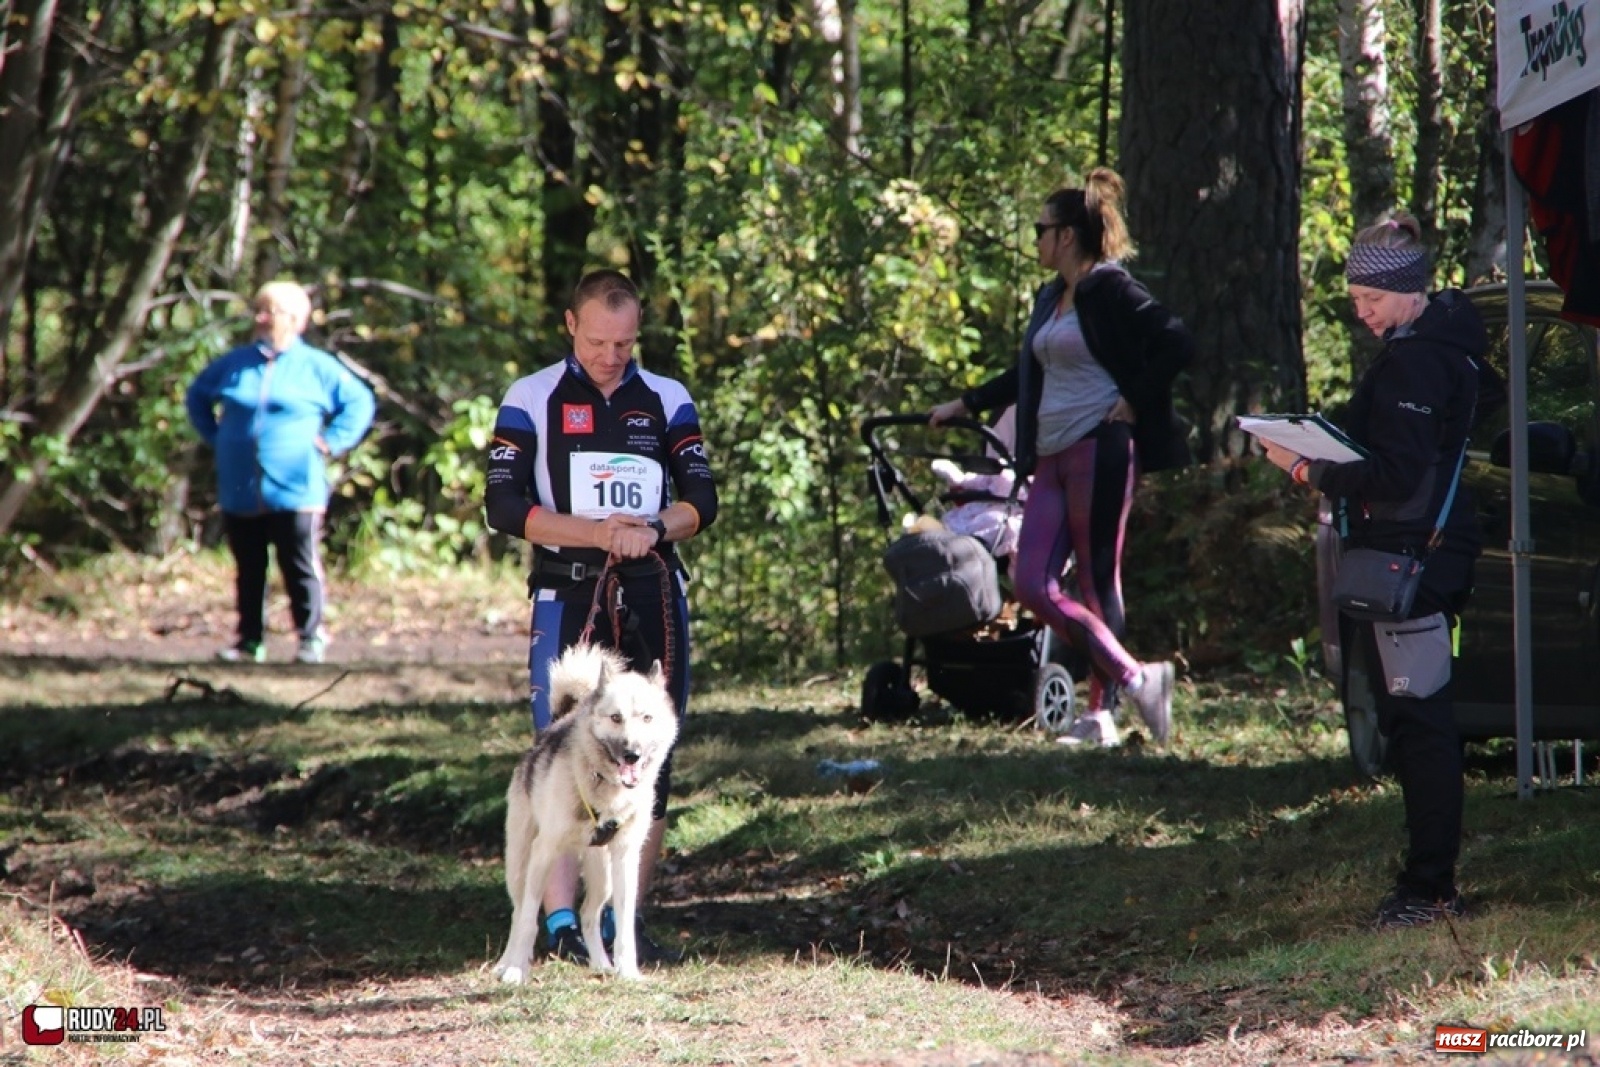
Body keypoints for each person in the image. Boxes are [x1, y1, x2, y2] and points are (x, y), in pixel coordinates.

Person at [1261, 212, 1500, 929]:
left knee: (1422, 723)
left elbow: (1394, 473)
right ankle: (1426, 880)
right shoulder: (1439, 348)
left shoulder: (1416, 362)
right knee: (1412, 719)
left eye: (1369, 298)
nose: (1361, 312)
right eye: (1356, 300)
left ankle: (1429, 888)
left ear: (1406, 290)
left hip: (1415, 559)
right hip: (1426, 552)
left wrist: (1309, 466)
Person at [483, 269, 718, 965]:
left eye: (623, 342)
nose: (610, 355)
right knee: (561, 754)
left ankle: (622, 927)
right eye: (596, 341)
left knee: (647, 758)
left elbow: (702, 498)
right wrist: (597, 531)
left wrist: (651, 526)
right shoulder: (530, 396)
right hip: (569, 588)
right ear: (569, 324)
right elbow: (502, 506)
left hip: (650, 588)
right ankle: (558, 923)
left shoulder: (668, 397)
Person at [931, 167, 1191, 748]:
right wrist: (966, 402)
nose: (1037, 240)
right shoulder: (1053, 298)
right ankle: (1139, 678)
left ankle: (1101, 714)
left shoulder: (1113, 288)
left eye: (1040, 229)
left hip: (1100, 451)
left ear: (1066, 236)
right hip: (1049, 458)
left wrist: (1132, 401)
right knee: (1030, 583)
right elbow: (1026, 374)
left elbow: (1177, 340)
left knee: (1099, 584)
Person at [186, 280, 376, 664]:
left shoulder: (316, 367)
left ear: (296, 320)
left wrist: (332, 441)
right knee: (249, 568)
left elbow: (360, 402)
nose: (259, 319)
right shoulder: (234, 365)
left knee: (298, 564)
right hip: (240, 489)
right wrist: (217, 436)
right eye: (258, 310)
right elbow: (196, 396)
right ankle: (248, 641)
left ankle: (310, 639)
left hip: (295, 489)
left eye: (268, 312)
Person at [929, 406, 1025, 561]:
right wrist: (960, 482)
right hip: (985, 502)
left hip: (1014, 512)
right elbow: (979, 481)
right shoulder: (997, 469)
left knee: (994, 521)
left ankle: (968, 544)